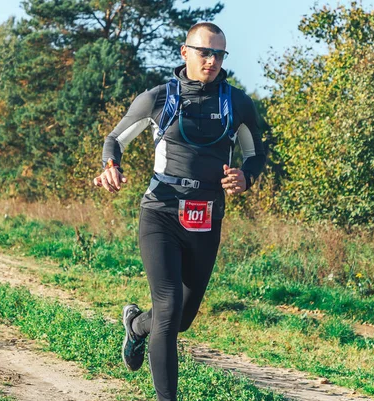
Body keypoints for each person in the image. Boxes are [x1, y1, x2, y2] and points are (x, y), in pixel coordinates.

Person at [93, 21, 266, 401]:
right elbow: (114, 140)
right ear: (185, 52)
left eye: (219, 54)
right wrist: (112, 167)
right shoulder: (158, 98)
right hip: (161, 211)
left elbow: (256, 155)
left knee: (182, 318)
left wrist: (245, 177)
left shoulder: (236, 103)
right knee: (169, 311)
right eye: (205, 52)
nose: (212, 60)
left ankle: (137, 326)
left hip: (206, 217)